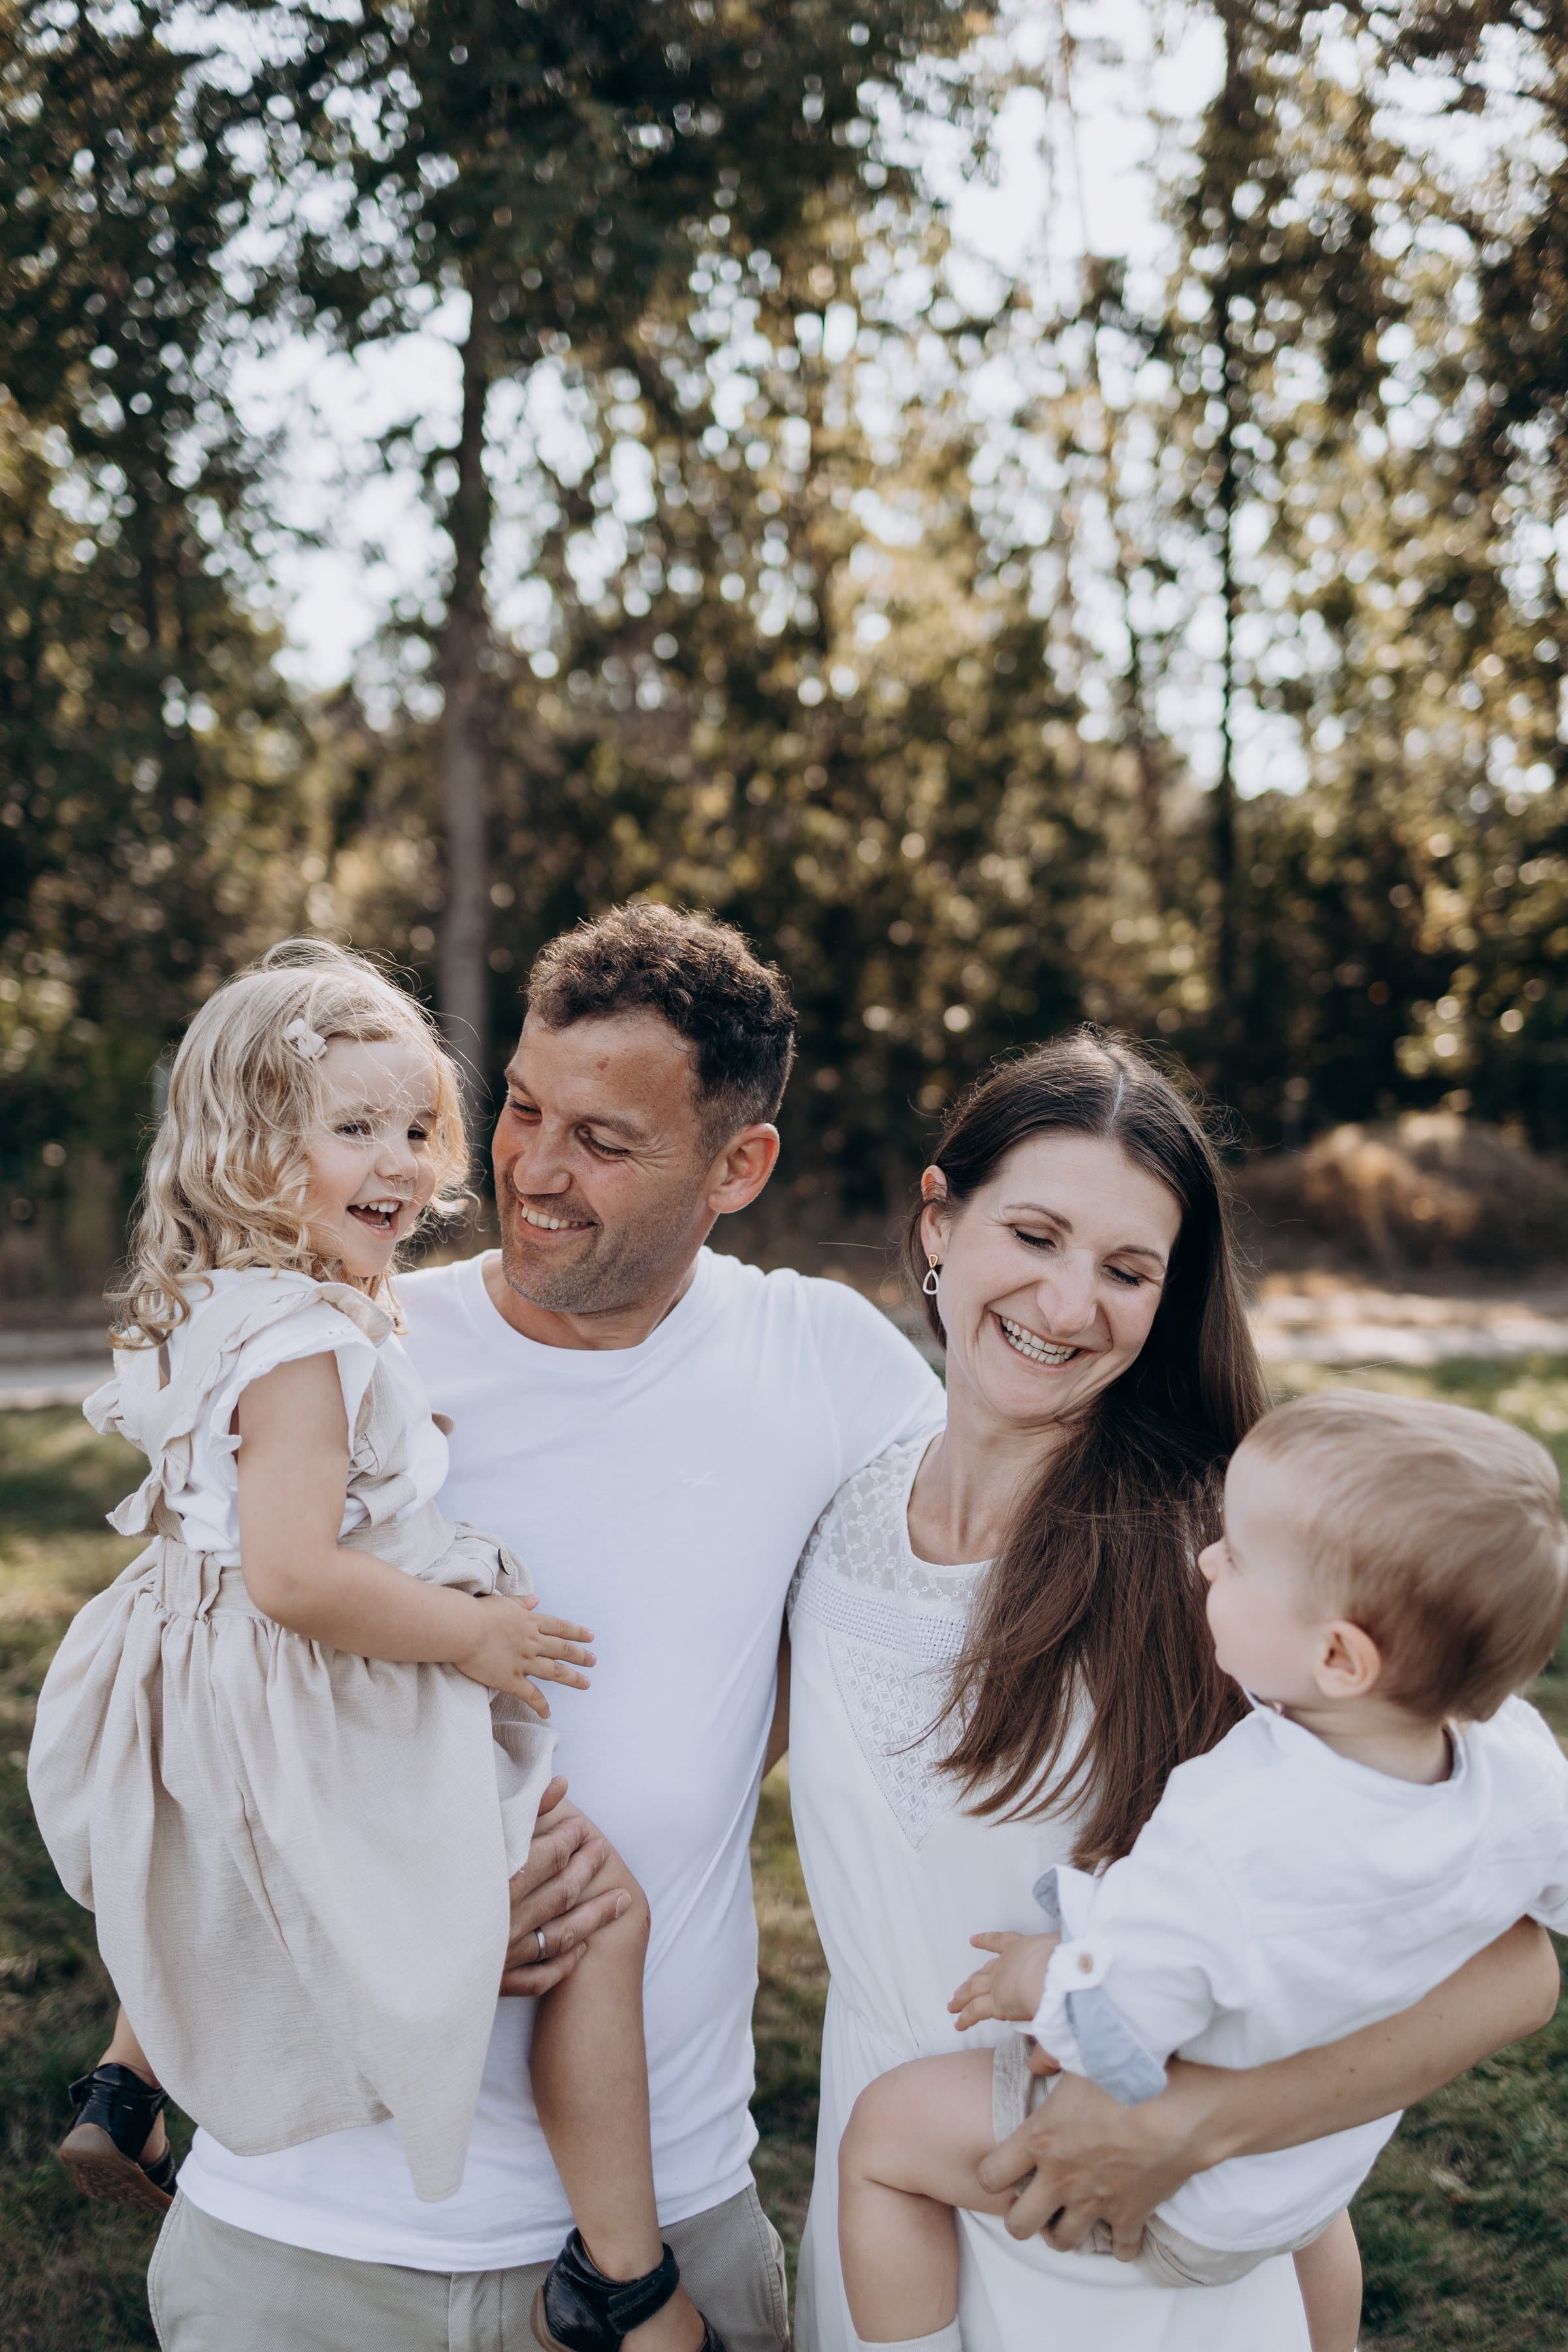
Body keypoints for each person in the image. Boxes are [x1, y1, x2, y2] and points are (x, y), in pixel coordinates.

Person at [142, 903, 947, 2352]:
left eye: (606, 1140)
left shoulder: (822, 1365)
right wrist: (396, 1898)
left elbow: (989, 1584)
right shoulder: (346, 1343)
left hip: (657, 2231)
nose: (533, 1170)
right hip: (311, 2232)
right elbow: (187, 1708)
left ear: (738, 1166)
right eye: (519, 1108)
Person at [785, 1034, 1563, 2352]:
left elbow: (1510, 1967)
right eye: (1032, 1233)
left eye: (1127, 1270)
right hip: (891, 2187)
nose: (1070, 1302)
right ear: (938, 1221)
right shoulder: (844, 1498)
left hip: (1121, 2231)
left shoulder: (1217, 1578)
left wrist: (1199, 2127)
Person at [29, 939, 727, 2352]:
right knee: (595, 1919)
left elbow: (232, 1520)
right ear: (247, 1148)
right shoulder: (306, 1348)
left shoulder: (222, 1309)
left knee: (240, 1867)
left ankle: (126, 2084)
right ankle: (616, 2276)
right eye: (352, 1129)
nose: (401, 1161)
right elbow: (294, 1572)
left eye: (416, 1127)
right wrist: (473, 1638)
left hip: (200, 1680)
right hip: (313, 1682)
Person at [838, 1389, 1568, 2352]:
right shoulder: (1512, 1762)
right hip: (1311, 2176)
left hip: (1188, 2200)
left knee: (883, 2138)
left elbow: (1120, 2031)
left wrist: (1044, 1973)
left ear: (1340, 1657)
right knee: (1316, 2235)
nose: (1206, 1558)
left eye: (1241, 1556)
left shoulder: (1235, 1823)